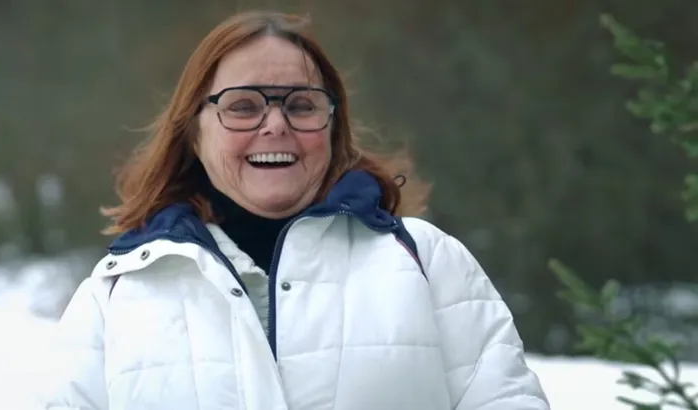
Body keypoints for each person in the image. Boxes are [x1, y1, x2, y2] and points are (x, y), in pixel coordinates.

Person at [39, 10, 550, 410]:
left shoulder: (427, 261)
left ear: (332, 126)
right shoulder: (118, 293)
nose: (276, 125)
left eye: (301, 105)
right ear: (193, 131)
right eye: (243, 106)